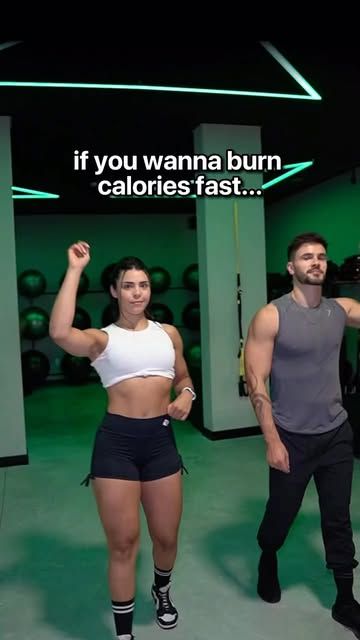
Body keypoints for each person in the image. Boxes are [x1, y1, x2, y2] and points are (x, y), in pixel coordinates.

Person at [49, 241, 196, 640]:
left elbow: (183, 377)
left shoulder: (169, 333)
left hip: (161, 443)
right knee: (123, 543)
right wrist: (75, 270)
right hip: (117, 444)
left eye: (143, 285)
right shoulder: (102, 339)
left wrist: (186, 395)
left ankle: (162, 592)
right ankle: (124, 633)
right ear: (114, 291)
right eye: (128, 285)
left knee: (166, 537)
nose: (137, 292)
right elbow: (60, 332)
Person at [244, 231, 360, 636]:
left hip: (335, 434)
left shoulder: (340, 310)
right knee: (281, 517)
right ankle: (268, 555)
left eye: (322, 256)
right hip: (291, 436)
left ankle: (345, 599)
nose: (317, 262)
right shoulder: (271, 316)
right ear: (291, 267)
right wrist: (272, 440)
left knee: (337, 519)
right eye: (307, 257)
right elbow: (256, 382)